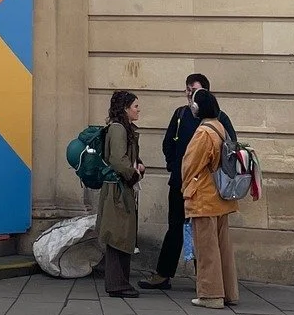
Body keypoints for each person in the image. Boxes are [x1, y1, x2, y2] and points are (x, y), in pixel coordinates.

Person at [142, 71, 235, 291]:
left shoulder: (218, 119)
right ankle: (164, 274)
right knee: (175, 228)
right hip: (179, 183)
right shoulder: (180, 114)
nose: (189, 95)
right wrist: (174, 166)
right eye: (187, 90)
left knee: (204, 234)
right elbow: (168, 143)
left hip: (204, 188)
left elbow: (230, 149)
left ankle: (206, 279)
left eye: (194, 91)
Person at [179, 88, 240, 309]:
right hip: (221, 196)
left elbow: (190, 165)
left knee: (206, 249)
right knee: (223, 248)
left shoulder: (203, 133)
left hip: (204, 196)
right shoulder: (219, 127)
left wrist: (186, 187)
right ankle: (229, 292)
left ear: (197, 107)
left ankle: (210, 295)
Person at [96, 89, 145, 298]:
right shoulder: (118, 129)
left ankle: (120, 282)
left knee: (123, 234)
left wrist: (138, 165)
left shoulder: (123, 128)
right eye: (135, 106)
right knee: (118, 235)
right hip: (117, 190)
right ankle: (117, 284)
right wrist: (134, 174)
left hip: (121, 188)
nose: (138, 110)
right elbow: (118, 160)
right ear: (125, 109)